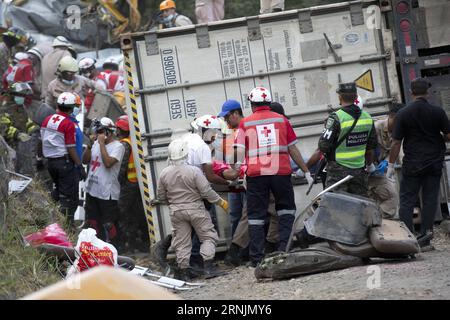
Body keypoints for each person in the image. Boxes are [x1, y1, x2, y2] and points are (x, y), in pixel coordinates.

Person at [234, 87, 312, 267]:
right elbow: (293, 148)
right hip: (280, 173)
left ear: (252, 105)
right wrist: (306, 171)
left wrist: (239, 172)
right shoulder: (282, 120)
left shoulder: (245, 123)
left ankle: (257, 259)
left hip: (256, 175)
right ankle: (283, 249)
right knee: (286, 210)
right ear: (269, 103)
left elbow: (239, 151)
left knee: (255, 216)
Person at [388, 78, 450, 248]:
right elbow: (448, 136)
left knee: (407, 200)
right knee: (430, 200)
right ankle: (426, 238)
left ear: (411, 92)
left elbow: (396, 142)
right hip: (434, 163)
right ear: (427, 93)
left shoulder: (403, 114)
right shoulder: (438, 112)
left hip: (413, 163)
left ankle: (408, 240)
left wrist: (391, 165)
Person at [154, 138, 228, 281]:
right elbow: (206, 192)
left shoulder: (164, 173)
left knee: (182, 242)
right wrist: (221, 202)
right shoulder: (194, 171)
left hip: (176, 212)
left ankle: (184, 273)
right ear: (185, 153)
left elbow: (161, 197)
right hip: (196, 209)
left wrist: (174, 204)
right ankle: (208, 268)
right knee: (208, 237)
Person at [318, 82, 377, 196]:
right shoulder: (368, 118)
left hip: (338, 171)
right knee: (359, 205)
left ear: (340, 97)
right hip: (359, 170)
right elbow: (370, 148)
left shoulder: (336, 117)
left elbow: (323, 146)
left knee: (337, 205)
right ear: (355, 97)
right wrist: (369, 165)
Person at [40, 92, 85, 222]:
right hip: (64, 164)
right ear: (71, 108)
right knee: (69, 199)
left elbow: (41, 140)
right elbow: (70, 147)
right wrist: (79, 165)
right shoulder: (68, 124)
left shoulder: (47, 119)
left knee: (57, 192)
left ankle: (51, 220)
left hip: (50, 163)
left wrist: (39, 158)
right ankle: (65, 227)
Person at [83, 117, 124, 243]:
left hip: (107, 194)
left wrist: (101, 144)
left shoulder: (118, 147)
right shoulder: (96, 143)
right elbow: (85, 161)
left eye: (101, 131)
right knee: (93, 223)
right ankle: (96, 247)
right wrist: (90, 146)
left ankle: (114, 249)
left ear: (108, 132)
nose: (98, 134)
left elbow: (108, 163)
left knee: (108, 225)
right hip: (92, 190)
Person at [115, 115, 150, 252]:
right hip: (138, 183)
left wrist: (119, 183)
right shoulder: (134, 141)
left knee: (124, 213)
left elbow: (121, 168)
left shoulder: (124, 144)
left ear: (120, 129)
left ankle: (129, 244)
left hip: (128, 184)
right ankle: (142, 241)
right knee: (138, 212)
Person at [368, 102, 405, 219]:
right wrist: (370, 165)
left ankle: (377, 221)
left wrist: (388, 162)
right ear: (391, 116)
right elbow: (367, 148)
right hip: (366, 168)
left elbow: (393, 150)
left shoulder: (399, 131)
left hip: (380, 170)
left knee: (391, 197)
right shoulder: (376, 127)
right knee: (368, 199)